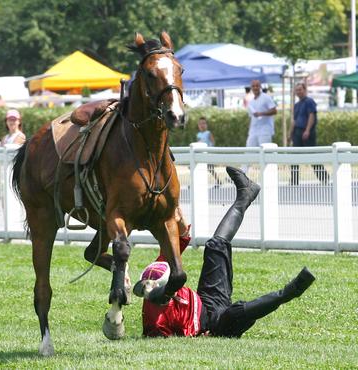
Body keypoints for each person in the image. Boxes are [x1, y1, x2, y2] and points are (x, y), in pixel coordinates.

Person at [134, 167, 315, 338]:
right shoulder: (154, 322)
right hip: (210, 325)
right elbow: (169, 341)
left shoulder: (161, 267)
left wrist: (180, 220)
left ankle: (245, 194)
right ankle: (289, 293)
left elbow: (181, 237)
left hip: (205, 300)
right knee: (235, 313)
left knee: (214, 245)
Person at [288, 83, 330, 186]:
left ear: (305, 90)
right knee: (294, 157)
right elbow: (294, 120)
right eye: (297, 90)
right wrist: (290, 134)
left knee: (312, 155)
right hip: (297, 132)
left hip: (307, 132)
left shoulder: (310, 102)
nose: (298, 92)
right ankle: (294, 180)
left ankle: (324, 177)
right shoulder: (296, 105)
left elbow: (311, 116)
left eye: (300, 89)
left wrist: (307, 130)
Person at [246, 80, 277, 147]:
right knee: (250, 151)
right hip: (253, 131)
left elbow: (274, 111)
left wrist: (261, 114)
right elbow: (251, 117)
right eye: (253, 86)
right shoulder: (251, 102)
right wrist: (249, 129)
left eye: (257, 86)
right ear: (251, 88)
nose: (255, 88)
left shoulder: (266, 97)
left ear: (260, 87)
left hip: (265, 131)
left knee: (265, 152)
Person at [196, 117, 221, 186]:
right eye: (200, 123)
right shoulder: (198, 134)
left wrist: (210, 149)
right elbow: (198, 143)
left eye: (204, 123)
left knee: (211, 169)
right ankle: (195, 183)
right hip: (201, 154)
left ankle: (218, 181)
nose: (202, 125)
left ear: (206, 125)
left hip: (207, 153)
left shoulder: (208, 133)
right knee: (198, 168)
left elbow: (213, 142)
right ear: (198, 125)